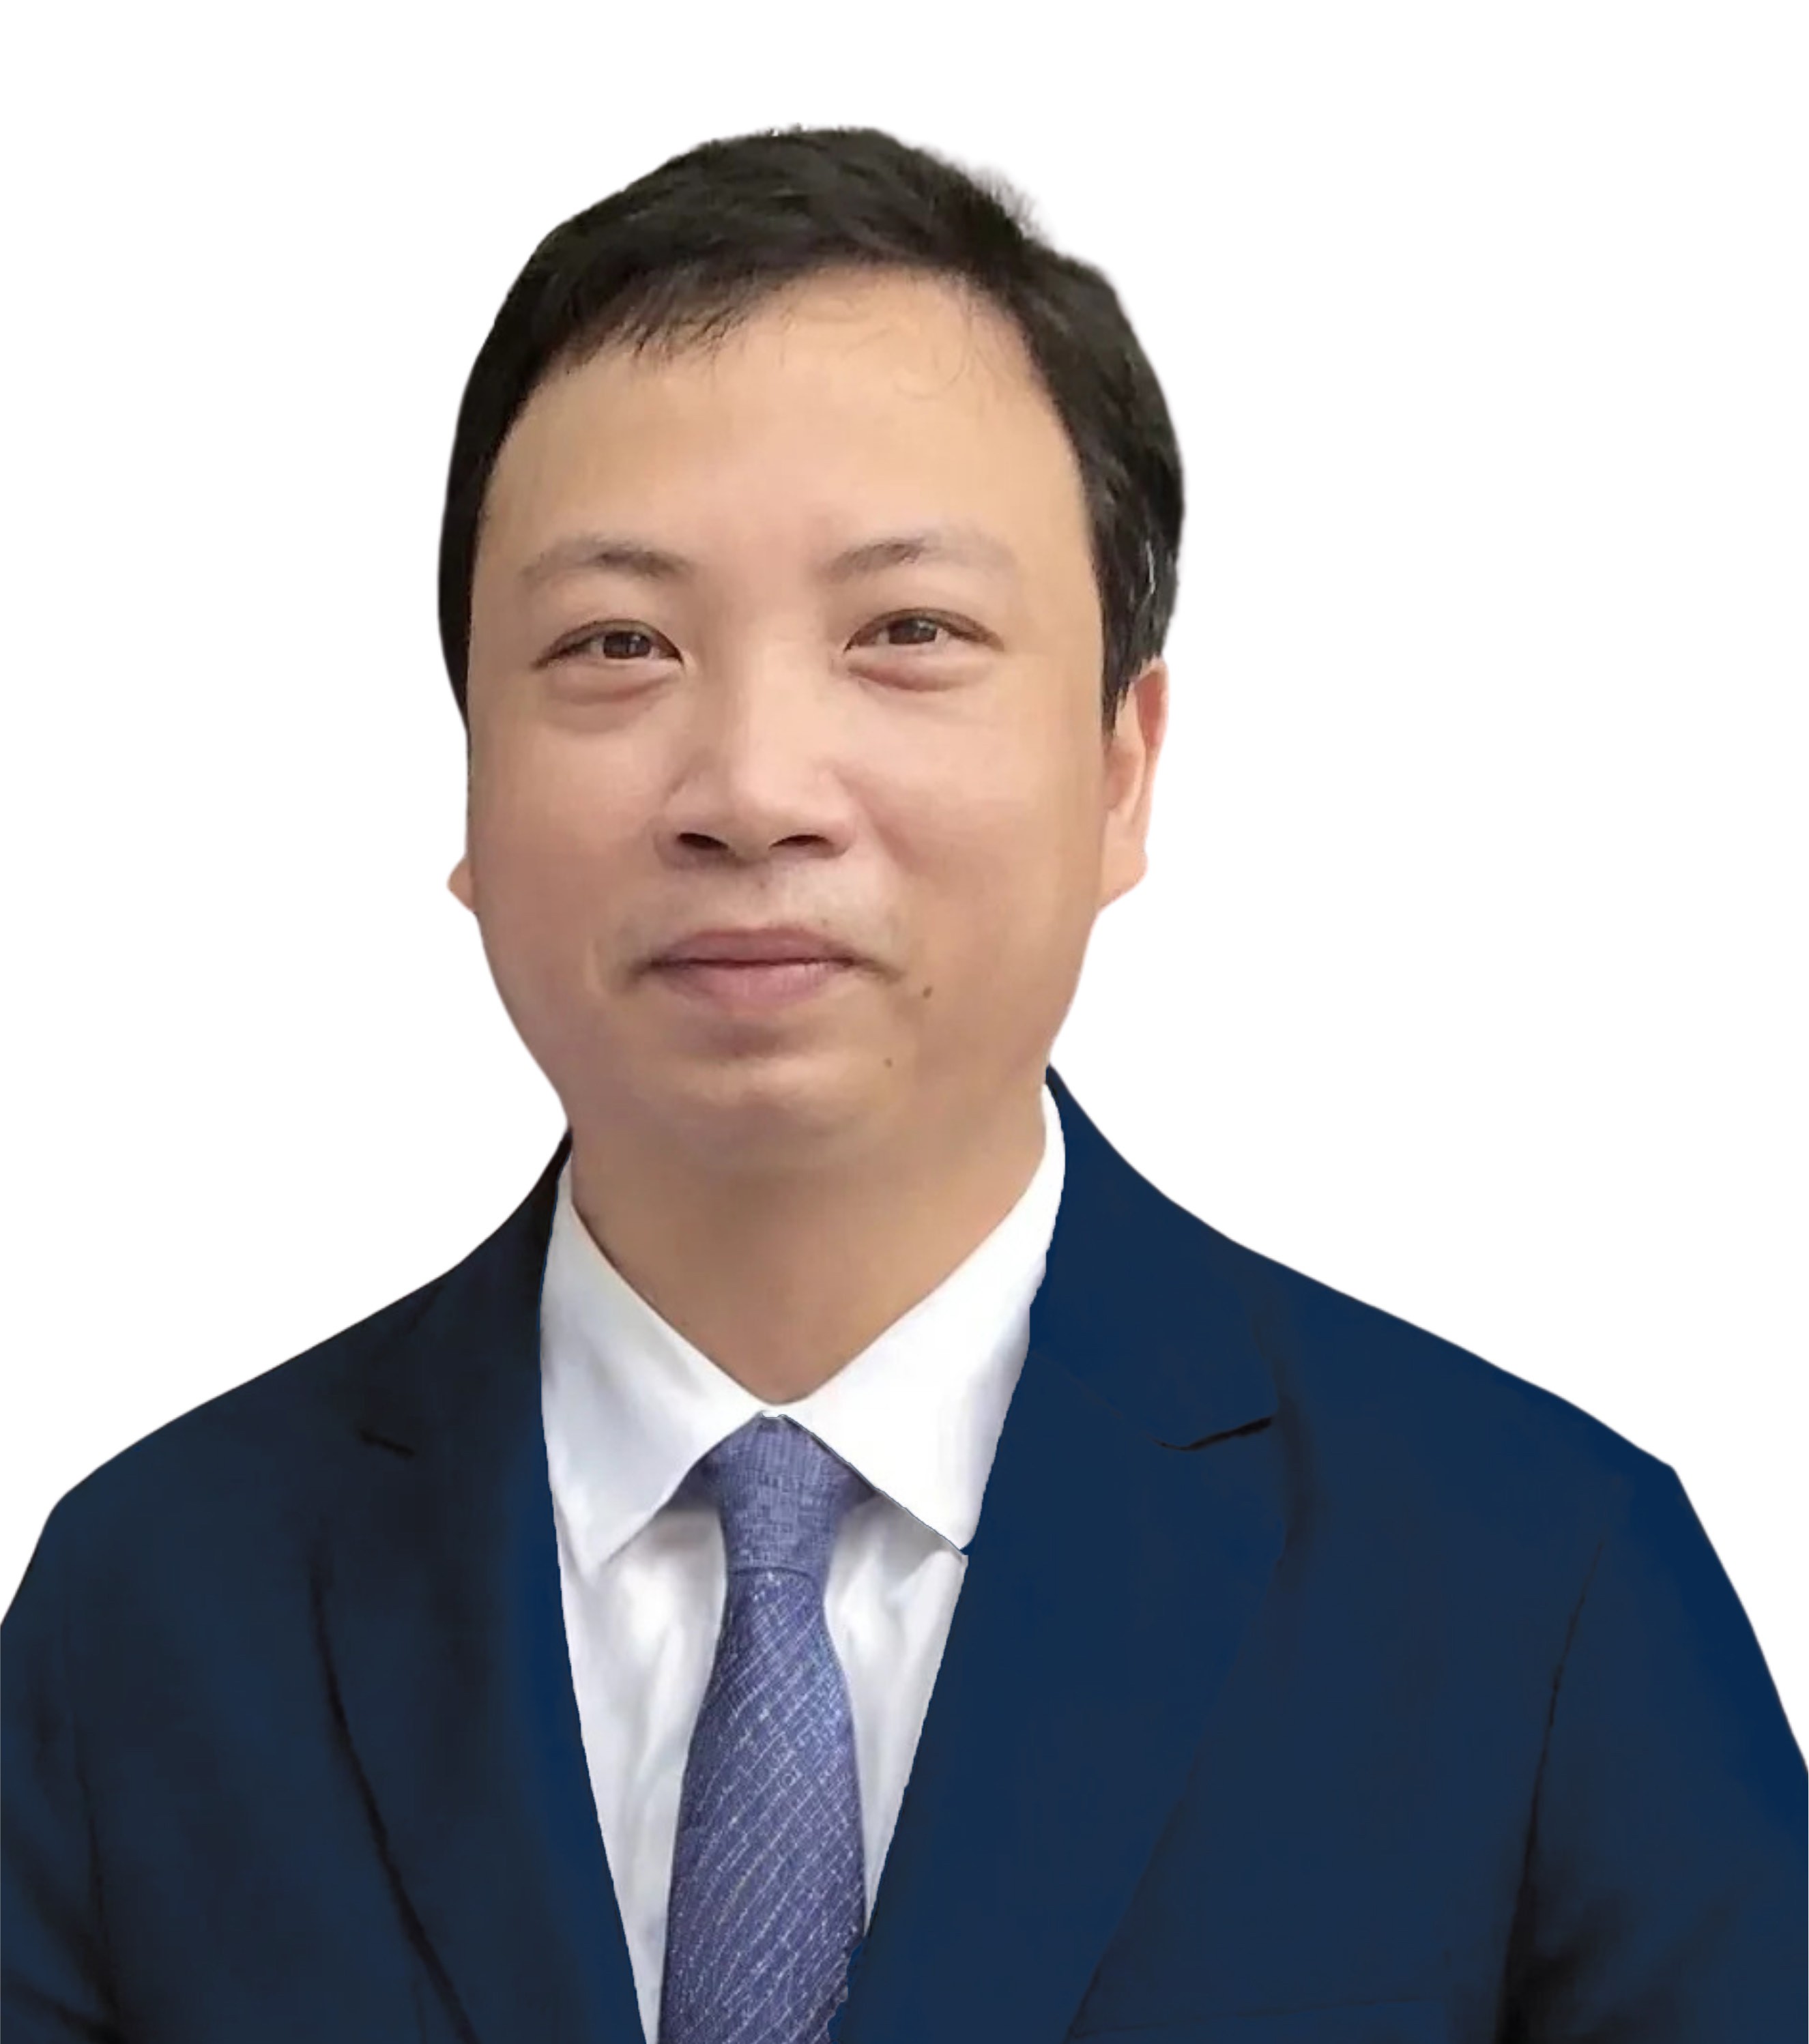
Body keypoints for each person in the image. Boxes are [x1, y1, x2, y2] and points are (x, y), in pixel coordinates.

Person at [3, 123, 1801, 2044]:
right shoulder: (148, 1618)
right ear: (469, 782)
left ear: (1121, 766)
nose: (753, 789)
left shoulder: (1542, 1594)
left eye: (908, 633)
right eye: (614, 643)